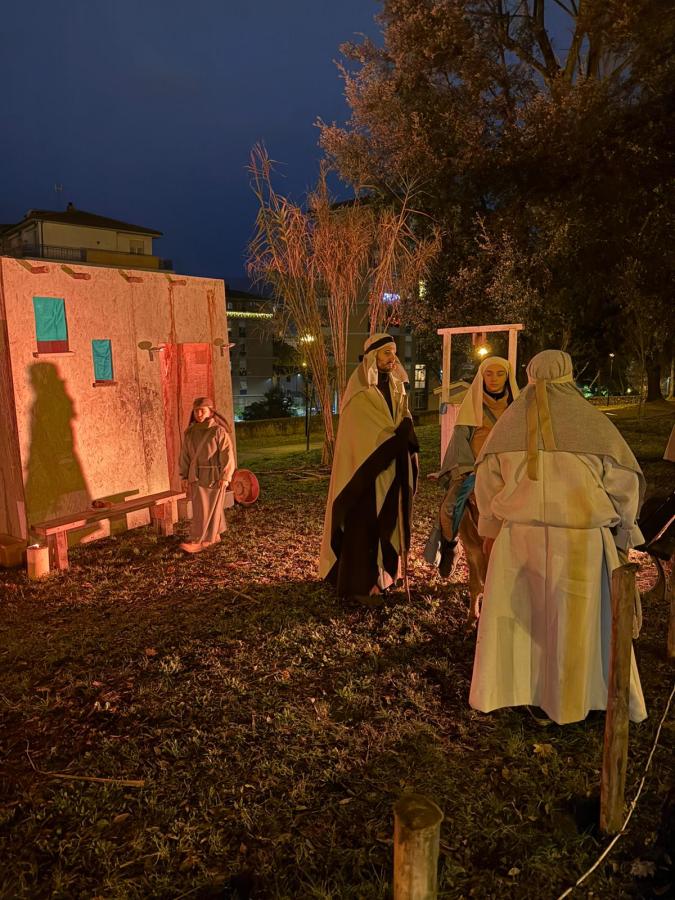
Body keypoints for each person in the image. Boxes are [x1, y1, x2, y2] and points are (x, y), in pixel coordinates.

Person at [469, 349, 648, 725]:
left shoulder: (507, 427)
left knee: (525, 621)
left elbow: (486, 487)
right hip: (580, 545)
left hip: (520, 541)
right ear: (568, 374)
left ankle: (524, 692)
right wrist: (624, 528)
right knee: (575, 624)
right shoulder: (593, 425)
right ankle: (576, 696)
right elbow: (624, 484)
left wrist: (491, 527)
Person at [319, 333, 419, 605]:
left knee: (388, 521)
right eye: (387, 353)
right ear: (373, 356)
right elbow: (362, 434)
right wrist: (396, 438)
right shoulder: (360, 392)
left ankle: (385, 577)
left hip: (392, 468)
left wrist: (406, 431)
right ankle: (362, 586)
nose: (392, 358)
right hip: (364, 474)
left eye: (394, 353)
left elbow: (402, 418)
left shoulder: (398, 386)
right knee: (364, 526)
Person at [425, 356, 519, 622]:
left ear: (507, 377)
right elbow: (461, 441)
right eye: (489, 374)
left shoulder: (517, 407)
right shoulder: (472, 405)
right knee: (449, 509)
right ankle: (449, 544)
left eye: (500, 374)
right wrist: (466, 470)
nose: (494, 379)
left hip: (509, 473)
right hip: (476, 471)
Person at [178, 397, 235, 554]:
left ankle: (202, 540)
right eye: (196, 410)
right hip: (195, 476)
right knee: (200, 509)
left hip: (214, 476)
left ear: (211, 411)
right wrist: (183, 476)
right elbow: (185, 456)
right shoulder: (190, 433)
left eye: (202, 410)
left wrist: (225, 476)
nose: (198, 413)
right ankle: (214, 535)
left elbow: (227, 455)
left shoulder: (218, 432)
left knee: (211, 508)